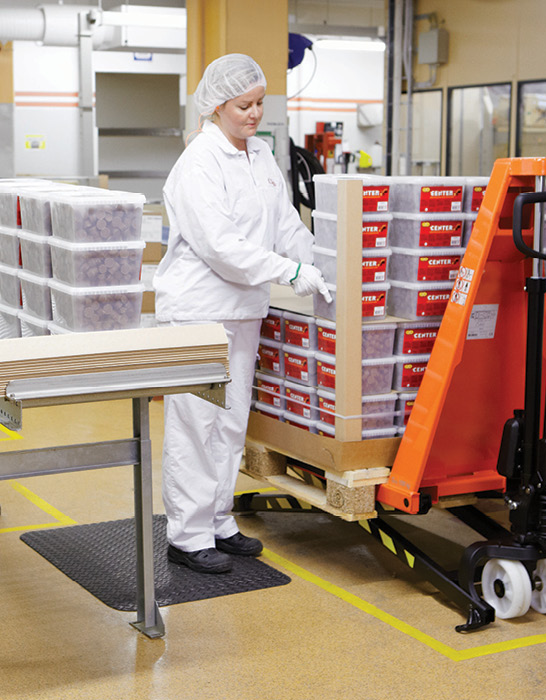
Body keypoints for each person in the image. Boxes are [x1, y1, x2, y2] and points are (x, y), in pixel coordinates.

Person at [154, 54, 332, 574]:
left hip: (243, 309)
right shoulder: (199, 162)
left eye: (259, 103)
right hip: (198, 311)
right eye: (243, 106)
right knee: (195, 422)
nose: (254, 114)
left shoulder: (261, 155)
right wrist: (289, 272)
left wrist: (321, 260)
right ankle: (187, 535)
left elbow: (285, 224)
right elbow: (221, 246)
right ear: (216, 106)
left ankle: (218, 519)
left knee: (232, 420)